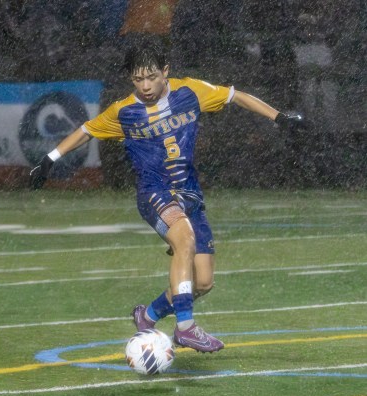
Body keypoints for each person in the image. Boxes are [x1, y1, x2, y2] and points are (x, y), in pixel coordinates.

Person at [30, 35, 302, 353]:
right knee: (184, 239)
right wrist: (49, 160)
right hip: (153, 193)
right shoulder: (125, 112)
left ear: (166, 72)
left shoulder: (190, 92)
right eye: (137, 79)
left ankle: (148, 315)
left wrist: (279, 117)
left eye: (151, 77)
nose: (144, 86)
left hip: (190, 193)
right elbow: (86, 131)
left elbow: (235, 96)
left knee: (202, 282)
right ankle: (185, 327)